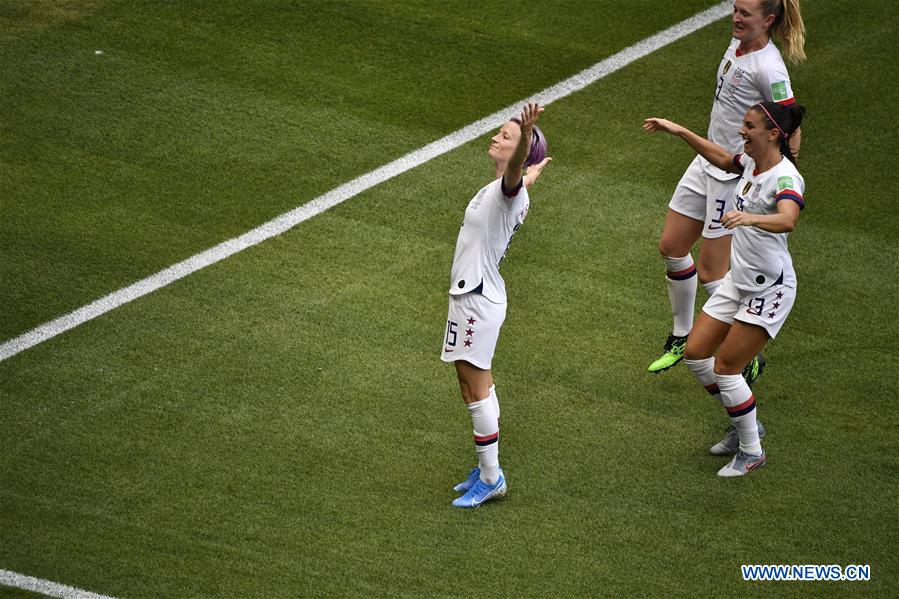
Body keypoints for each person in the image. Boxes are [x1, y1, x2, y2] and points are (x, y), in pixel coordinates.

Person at [644, 99, 806, 476]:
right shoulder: (750, 163)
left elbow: (788, 220)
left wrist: (749, 217)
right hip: (739, 282)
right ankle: (743, 421)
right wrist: (681, 131)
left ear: (773, 134)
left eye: (749, 126)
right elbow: (721, 158)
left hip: (770, 290)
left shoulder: (785, 178)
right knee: (696, 354)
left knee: (727, 368)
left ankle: (751, 450)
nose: (741, 131)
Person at [648, 0, 806, 380]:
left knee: (710, 271)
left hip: (732, 174)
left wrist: (785, 169)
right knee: (671, 246)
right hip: (708, 160)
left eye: (745, 13)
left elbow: (789, 121)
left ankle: (744, 349)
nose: (736, 17)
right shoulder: (737, 44)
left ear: (768, 20)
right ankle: (680, 336)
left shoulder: (769, 68)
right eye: (735, 9)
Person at [441, 102, 551, 507]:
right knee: (472, 385)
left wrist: (526, 145)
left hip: (476, 300)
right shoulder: (508, 191)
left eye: (506, 135)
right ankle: (486, 467)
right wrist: (534, 166)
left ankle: (491, 477)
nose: (496, 136)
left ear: (520, 154)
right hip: (473, 295)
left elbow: (518, 173)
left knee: (476, 389)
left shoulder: (510, 189)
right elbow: (523, 176)